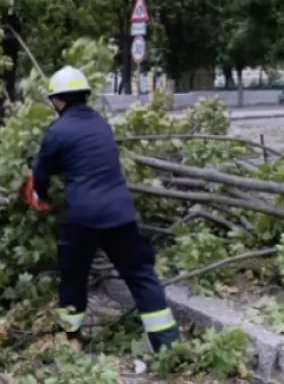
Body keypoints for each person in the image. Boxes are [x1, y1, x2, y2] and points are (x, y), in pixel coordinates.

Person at [25, 66, 179, 351]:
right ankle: (168, 345)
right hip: (120, 213)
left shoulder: (57, 131)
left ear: (58, 101)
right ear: (84, 96)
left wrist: (41, 197)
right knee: (141, 275)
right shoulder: (100, 124)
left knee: (74, 277)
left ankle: (70, 340)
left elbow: (40, 175)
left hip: (82, 217)